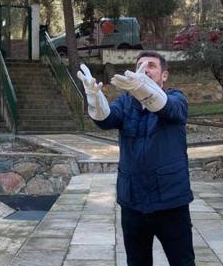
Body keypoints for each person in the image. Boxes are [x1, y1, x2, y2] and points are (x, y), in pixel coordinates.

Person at [77, 51, 195, 266]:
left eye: (151, 66)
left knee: (183, 262)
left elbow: (165, 107)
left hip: (171, 202)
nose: (145, 70)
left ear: (164, 75)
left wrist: (143, 89)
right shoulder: (125, 103)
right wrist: (94, 99)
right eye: (140, 65)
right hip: (133, 203)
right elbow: (106, 120)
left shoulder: (177, 98)